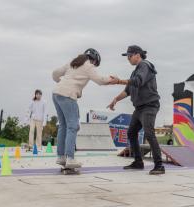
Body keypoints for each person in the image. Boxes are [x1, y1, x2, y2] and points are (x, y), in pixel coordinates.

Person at [52, 48, 118, 168]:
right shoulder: (88, 66)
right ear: (94, 60)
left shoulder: (73, 62)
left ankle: (61, 157)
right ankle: (70, 158)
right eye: (96, 64)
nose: (94, 66)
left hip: (56, 93)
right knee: (73, 126)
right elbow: (100, 80)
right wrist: (113, 80)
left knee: (63, 125)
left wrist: (60, 81)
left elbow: (55, 73)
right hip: (68, 96)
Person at [107, 45, 165, 175]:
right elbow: (128, 90)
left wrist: (118, 81)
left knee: (149, 133)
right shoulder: (135, 71)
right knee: (131, 133)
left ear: (137, 55)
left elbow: (137, 81)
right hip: (139, 108)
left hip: (149, 105)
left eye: (129, 56)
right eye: (127, 56)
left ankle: (159, 165)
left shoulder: (144, 65)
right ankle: (138, 162)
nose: (128, 59)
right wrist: (116, 99)